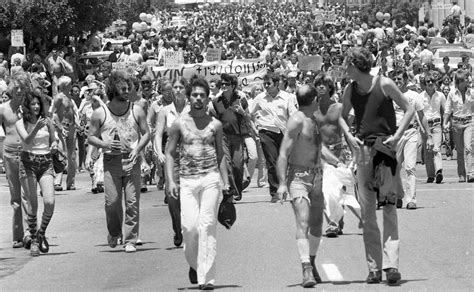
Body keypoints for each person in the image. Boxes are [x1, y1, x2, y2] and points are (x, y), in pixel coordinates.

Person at [340, 47, 415, 284]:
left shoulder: (384, 84)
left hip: (385, 149)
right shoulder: (350, 89)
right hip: (362, 151)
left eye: (347, 65)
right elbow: (341, 116)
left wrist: (397, 135)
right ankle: (374, 268)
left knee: (389, 207)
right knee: (368, 211)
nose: (345, 69)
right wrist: (349, 137)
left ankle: (391, 266)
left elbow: (409, 107)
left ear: (355, 65)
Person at [165, 76, 228, 290]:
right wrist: (171, 181)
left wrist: (226, 181)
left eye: (202, 95)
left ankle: (207, 278)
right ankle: (195, 264)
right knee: (190, 228)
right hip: (188, 181)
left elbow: (221, 154)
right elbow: (170, 153)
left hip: (210, 178)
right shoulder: (179, 124)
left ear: (208, 98)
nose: (198, 98)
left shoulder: (215, 125)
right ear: (189, 97)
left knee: (207, 224)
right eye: (195, 95)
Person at [276, 84, 341, 287]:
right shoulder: (296, 120)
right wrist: (281, 184)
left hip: (317, 176)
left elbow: (318, 148)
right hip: (298, 176)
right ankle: (306, 269)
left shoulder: (316, 119)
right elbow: (283, 153)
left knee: (316, 224)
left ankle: (311, 261)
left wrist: (338, 163)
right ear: (313, 100)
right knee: (302, 222)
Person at [88, 71, 150, 253]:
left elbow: (146, 133)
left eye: (127, 88)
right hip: (111, 162)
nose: (126, 91)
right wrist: (104, 144)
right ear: (113, 90)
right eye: (122, 88)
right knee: (112, 202)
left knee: (132, 202)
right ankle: (114, 232)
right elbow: (91, 137)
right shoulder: (100, 113)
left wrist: (138, 150)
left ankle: (130, 239)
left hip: (132, 162)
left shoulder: (136, 110)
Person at [16, 91, 58, 256]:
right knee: (33, 204)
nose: (36, 106)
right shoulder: (21, 122)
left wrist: (54, 144)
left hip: (46, 162)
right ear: (27, 106)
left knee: (50, 202)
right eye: (33, 104)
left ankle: (41, 233)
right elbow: (26, 140)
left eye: (38, 103)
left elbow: (53, 139)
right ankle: (34, 240)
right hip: (28, 163)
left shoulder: (47, 121)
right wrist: (37, 128)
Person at [250, 72, 298, 202]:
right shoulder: (260, 97)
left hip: (284, 132)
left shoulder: (288, 97)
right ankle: (275, 193)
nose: (266, 86)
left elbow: (293, 115)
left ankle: (286, 187)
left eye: (269, 83)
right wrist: (255, 128)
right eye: (265, 83)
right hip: (266, 132)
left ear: (277, 84)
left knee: (284, 162)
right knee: (271, 161)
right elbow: (249, 114)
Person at [154, 77, 189, 247]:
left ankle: (187, 229)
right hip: (172, 156)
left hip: (191, 156)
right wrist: (159, 152)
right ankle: (178, 228)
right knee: (172, 196)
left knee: (189, 195)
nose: (177, 90)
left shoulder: (195, 108)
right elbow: (159, 134)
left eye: (181, 87)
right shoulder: (165, 111)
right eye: (175, 87)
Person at [392, 69, 432, 210]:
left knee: (410, 167)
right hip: (395, 134)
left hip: (411, 132)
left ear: (405, 80)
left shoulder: (414, 96)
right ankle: (399, 194)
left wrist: (429, 135)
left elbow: (421, 116)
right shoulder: (389, 96)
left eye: (399, 79)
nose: (397, 82)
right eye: (395, 79)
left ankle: (411, 200)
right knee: (395, 168)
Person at [209, 73, 249, 201]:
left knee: (238, 164)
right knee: (227, 164)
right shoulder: (216, 101)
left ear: (233, 86)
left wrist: (242, 113)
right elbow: (213, 118)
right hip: (223, 136)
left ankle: (238, 188)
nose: (224, 86)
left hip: (237, 136)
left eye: (227, 84)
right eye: (222, 84)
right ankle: (233, 191)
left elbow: (249, 117)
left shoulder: (241, 98)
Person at [0, 74, 29, 248]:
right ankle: (17, 235)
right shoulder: (3, 108)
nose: (19, 91)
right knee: (16, 199)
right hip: (9, 154)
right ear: (10, 89)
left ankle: (29, 233)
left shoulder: (30, 107)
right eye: (16, 88)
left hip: (27, 154)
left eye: (22, 87)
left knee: (28, 196)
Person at [443, 70, 473, 182]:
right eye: (466, 78)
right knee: (460, 151)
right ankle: (461, 174)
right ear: (460, 80)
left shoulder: (472, 92)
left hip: (469, 122)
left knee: (469, 148)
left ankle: (471, 173)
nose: (468, 80)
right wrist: (445, 122)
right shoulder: (452, 93)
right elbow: (448, 109)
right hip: (456, 123)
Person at [51, 76, 79, 191]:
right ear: (65, 85)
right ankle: (57, 181)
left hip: (72, 128)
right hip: (62, 128)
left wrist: (77, 123)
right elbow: (53, 113)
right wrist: (60, 126)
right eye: (70, 84)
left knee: (72, 156)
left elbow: (73, 112)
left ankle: (70, 182)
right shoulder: (59, 98)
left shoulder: (70, 98)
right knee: (61, 155)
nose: (71, 85)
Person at [419, 71, 446, 184]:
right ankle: (430, 175)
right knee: (428, 151)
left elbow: (445, 111)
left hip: (436, 125)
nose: (430, 83)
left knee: (436, 149)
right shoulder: (420, 96)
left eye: (432, 81)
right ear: (424, 83)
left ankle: (438, 171)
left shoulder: (441, 95)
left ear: (435, 83)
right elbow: (419, 113)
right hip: (425, 125)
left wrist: (445, 124)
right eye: (428, 81)